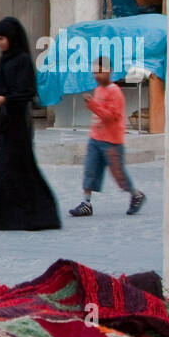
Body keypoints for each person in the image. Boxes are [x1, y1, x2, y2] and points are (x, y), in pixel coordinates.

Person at [0, 16, 61, 231]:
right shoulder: (5, 59)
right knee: (4, 168)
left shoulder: (22, 60)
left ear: (11, 38)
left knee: (19, 169)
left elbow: (27, 92)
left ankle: (38, 215)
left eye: (1, 38)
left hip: (19, 126)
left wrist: (6, 99)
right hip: (6, 125)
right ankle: (2, 218)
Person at [69, 55, 146, 217]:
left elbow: (111, 117)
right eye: (94, 72)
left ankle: (135, 194)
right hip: (96, 138)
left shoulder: (115, 92)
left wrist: (92, 105)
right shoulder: (98, 90)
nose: (97, 76)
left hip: (112, 141)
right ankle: (86, 202)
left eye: (100, 72)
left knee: (119, 175)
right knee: (90, 170)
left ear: (110, 71)